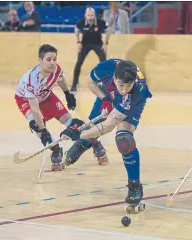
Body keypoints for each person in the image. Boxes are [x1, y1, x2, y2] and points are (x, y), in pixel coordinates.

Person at [60, 59, 152, 212]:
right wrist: (105, 98)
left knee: (124, 140)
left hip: (134, 103)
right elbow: (90, 82)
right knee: (92, 128)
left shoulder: (136, 90)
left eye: (127, 85)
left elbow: (107, 126)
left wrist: (78, 134)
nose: (123, 90)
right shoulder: (106, 68)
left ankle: (134, 186)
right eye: (121, 85)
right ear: (114, 78)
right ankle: (84, 144)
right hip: (108, 93)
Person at [14, 44, 86, 171]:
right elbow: (35, 109)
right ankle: (56, 149)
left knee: (68, 120)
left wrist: (67, 93)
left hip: (46, 96)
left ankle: (93, 141)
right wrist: (43, 130)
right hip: (26, 99)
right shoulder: (31, 79)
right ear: (40, 61)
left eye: (54, 59)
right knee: (36, 126)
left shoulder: (56, 69)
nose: (53, 63)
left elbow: (60, 78)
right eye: (48, 59)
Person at [71, 7, 112, 92]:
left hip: (98, 44)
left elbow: (108, 29)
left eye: (92, 15)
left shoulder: (100, 22)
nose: (90, 17)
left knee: (104, 63)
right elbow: (76, 29)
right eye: (88, 15)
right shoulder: (82, 22)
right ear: (85, 15)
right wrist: (78, 42)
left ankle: (106, 85)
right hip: (85, 44)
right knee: (79, 63)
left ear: (94, 15)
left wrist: (105, 43)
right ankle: (74, 84)